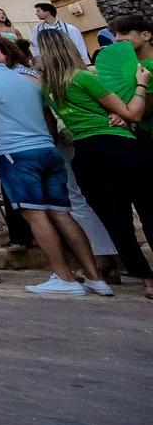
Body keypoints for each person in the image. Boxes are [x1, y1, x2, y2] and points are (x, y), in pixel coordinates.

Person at [0, 36, 111, 297]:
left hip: (14, 152)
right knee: (62, 212)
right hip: (45, 149)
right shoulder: (24, 77)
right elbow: (48, 116)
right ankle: (95, 276)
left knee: (35, 214)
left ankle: (63, 277)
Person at [34, 25, 151, 289]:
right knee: (148, 210)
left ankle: (147, 280)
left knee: (116, 222)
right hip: (119, 145)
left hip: (85, 154)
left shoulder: (47, 87)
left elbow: (53, 125)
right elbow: (132, 113)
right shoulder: (83, 77)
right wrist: (141, 85)